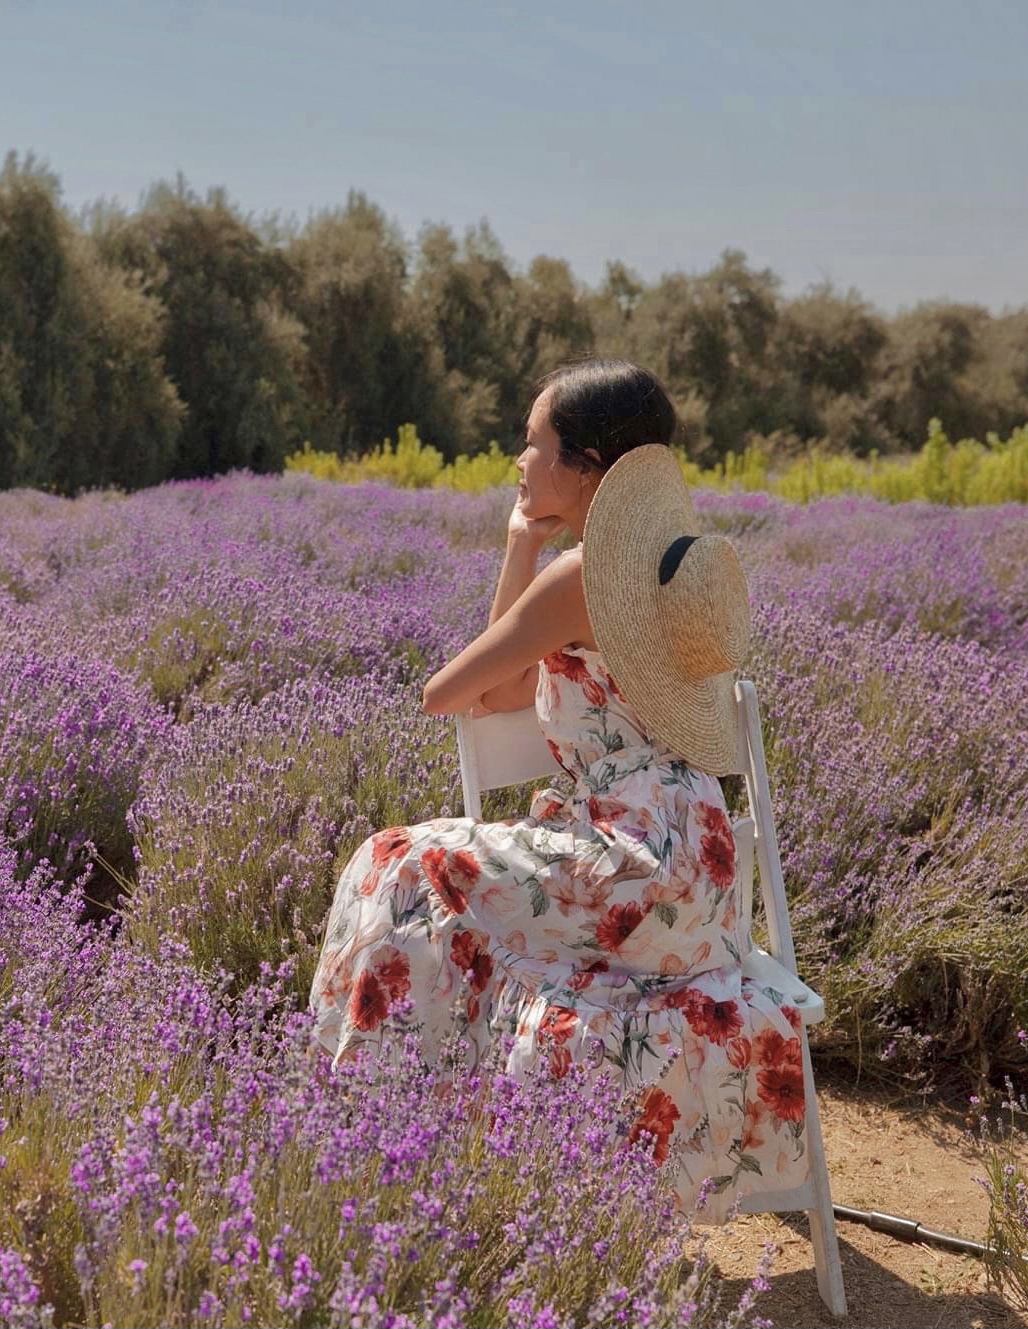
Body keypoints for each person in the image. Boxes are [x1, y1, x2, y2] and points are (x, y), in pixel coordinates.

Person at [308, 357, 811, 1222]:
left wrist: (519, 543)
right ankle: (416, 1115)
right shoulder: (668, 567)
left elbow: (454, 694)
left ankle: (372, 1117)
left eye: (533, 445)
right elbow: (509, 691)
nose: (519, 461)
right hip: (703, 868)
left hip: (625, 861)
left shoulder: (576, 578)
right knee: (435, 880)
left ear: (584, 468)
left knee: (394, 862)